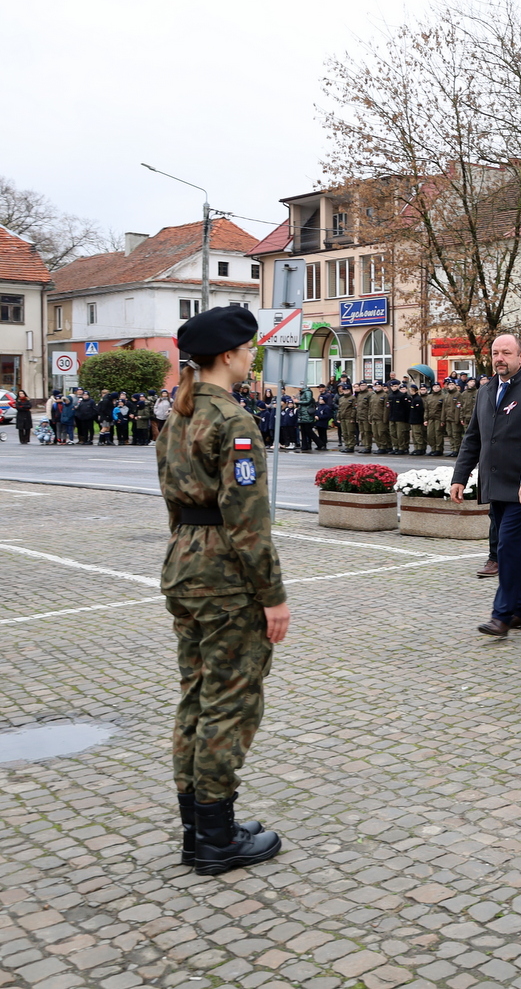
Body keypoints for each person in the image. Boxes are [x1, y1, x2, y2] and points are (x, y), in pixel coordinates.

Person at [157, 304, 288, 875]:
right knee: (229, 703)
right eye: (249, 348)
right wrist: (273, 595)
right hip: (227, 580)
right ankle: (215, 838)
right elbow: (248, 522)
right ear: (230, 355)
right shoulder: (232, 421)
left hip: (184, 565)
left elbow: (173, 504)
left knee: (196, 694)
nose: (252, 355)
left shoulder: (178, 414)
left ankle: (199, 828)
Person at [449, 334, 521, 636]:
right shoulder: (485, 390)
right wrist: (460, 476)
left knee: (507, 546)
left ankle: (502, 615)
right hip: (494, 483)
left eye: (506, 352)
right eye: (495, 352)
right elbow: (473, 437)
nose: (499, 358)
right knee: (517, 548)